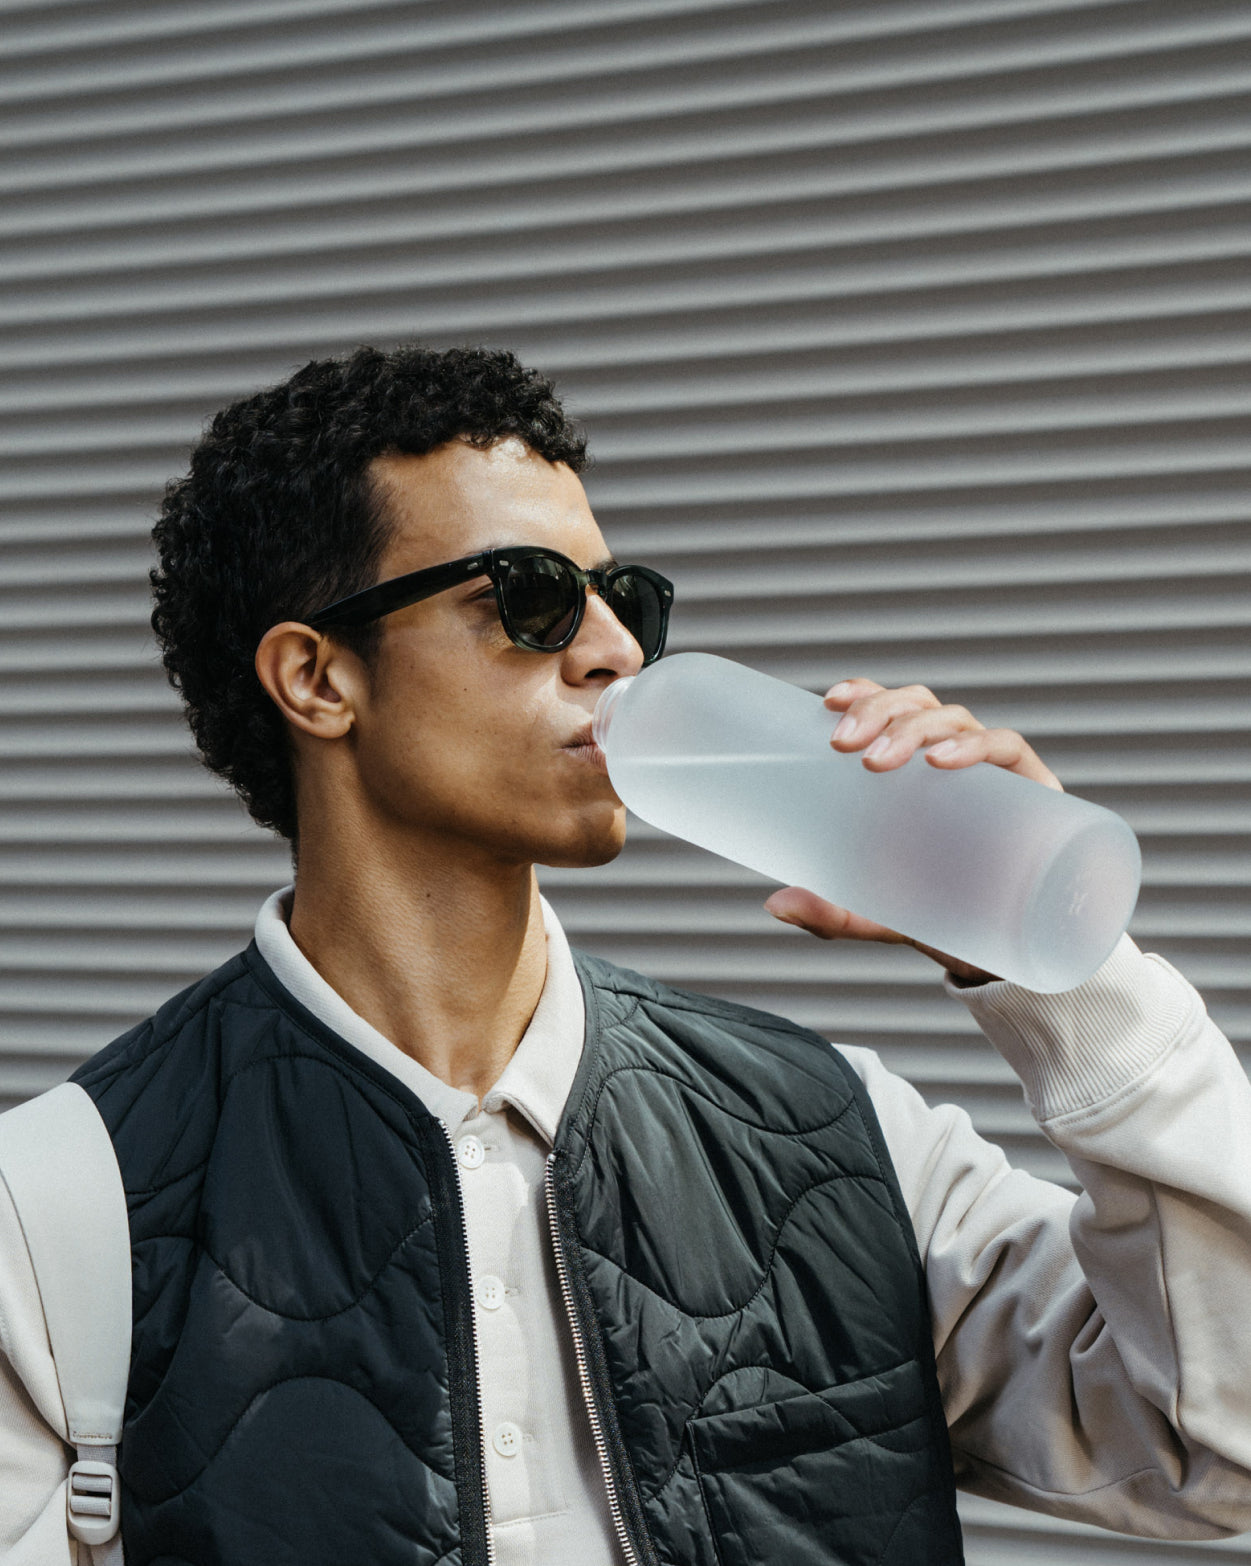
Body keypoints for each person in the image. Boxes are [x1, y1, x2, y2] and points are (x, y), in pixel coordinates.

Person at [2, 345, 1250, 1566]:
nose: (615, 652)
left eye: (626, 598)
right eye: (531, 597)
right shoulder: (56, 1220)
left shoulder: (842, 1141)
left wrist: (1067, 980)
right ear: (317, 678)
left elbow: (1220, 1454)